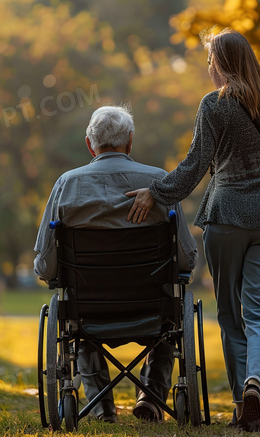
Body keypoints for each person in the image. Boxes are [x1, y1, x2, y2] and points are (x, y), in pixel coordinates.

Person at [125, 28, 260, 432]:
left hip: (227, 217)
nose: (209, 70)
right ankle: (254, 384)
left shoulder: (214, 106)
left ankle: (242, 400)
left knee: (230, 314)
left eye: (210, 62)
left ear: (221, 65)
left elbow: (193, 166)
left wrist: (156, 193)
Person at [33, 105, 198, 423]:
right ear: (130, 142)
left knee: (77, 317)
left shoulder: (66, 185)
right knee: (171, 316)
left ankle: (102, 407)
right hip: (151, 307)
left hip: (88, 307)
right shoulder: (159, 182)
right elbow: (187, 257)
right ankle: (151, 396)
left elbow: (46, 265)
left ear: (89, 144)